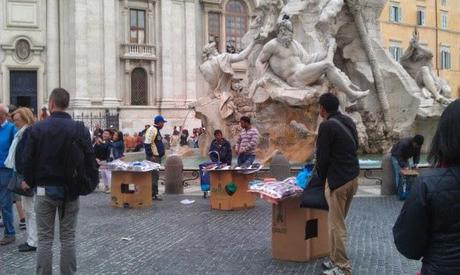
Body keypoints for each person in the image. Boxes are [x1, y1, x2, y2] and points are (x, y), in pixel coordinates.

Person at [22, 88, 93, 274]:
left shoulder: (37, 128)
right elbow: (90, 160)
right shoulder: (79, 128)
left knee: (44, 239)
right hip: (70, 190)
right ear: (66, 104)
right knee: (68, 238)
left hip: (44, 190)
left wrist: (28, 181)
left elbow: (27, 159)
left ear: (51, 104)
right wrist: (87, 185)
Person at [393, 99, 460, 275]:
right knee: (399, 173)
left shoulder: (428, 184)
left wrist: (414, 166)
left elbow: (408, 244)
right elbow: (399, 157)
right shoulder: (405, 144)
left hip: (441, 268)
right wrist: (405, 166)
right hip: (397, 157)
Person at [254, 17, 369, 102]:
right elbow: (259, 61)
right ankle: (351, 95)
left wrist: (327, 51)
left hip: (304, 72)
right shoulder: (272, 45)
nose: (287, 33)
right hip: (294, 78)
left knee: (327, 65)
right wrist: (263, 77)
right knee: (327, 66)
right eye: (284, 30)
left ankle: (348, 91)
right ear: (279, 31)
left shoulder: (294, 43)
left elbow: (308, 59)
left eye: (289, 31)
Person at [316, 93, 360, 275]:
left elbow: (322, 157)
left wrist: (322, 178)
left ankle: (342, 267)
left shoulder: (326, 126)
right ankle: (334, 260)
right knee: (337, 223)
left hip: (337, 181)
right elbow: (356, 144)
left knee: (336, 226)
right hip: (353, 179)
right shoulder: (348, 121)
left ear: (322, 109)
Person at [4, 107, 37, 251]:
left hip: (26, 177)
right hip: (22, 175)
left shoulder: (28, 133)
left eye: (17, 120)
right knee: (27, 209)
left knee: (31, 211)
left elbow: (30, 158)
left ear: (25, 118)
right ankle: (30, 239)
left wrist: (28, 179)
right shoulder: (21, 133)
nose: (14, 122)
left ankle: (33, 241)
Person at [0, 104, 17, 245]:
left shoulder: (11, 129)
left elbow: (15, 150)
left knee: (5, 203)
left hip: (5, 171)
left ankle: (9, 233)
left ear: (4, 115)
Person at [144, 115, 166, 200]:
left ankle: (153, 193)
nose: (163, 124)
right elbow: (147, 143)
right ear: (159, 122)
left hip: (156, 157)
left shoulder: (156, 130)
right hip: (154, 157)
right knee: (154, 175)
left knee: (155, 176)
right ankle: (153, 194)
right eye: (163, 122)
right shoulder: (152, 130)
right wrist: (151, 155)